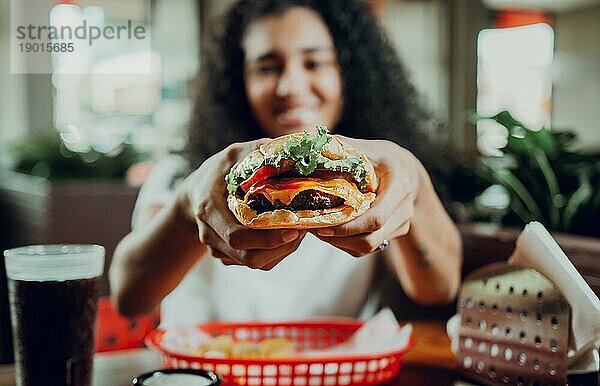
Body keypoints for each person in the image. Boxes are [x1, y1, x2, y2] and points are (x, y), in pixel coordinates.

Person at [109, 0, 462, 326]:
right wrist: (189, 206)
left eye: (315, 62)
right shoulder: (180, 173)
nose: (290, 85)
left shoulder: (373, 184)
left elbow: (439, 289)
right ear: (238, 84)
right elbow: (129, 296)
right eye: (267, 67)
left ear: (349, 76)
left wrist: (413, 178)